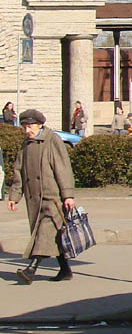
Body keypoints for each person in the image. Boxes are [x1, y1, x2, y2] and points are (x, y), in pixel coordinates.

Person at [5, 109, 76, 283]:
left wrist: (68, 195)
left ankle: (31, 269)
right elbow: (19, 172)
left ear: (40, 125)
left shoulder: (52, 140)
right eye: (24, 126)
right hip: (33, 199)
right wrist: (14, 196)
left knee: (43, 232)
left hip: (52, 198)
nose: (27, 130)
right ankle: (65, 270)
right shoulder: (26, 144)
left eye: (30, 126)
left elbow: (63, 169)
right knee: (53, 236)